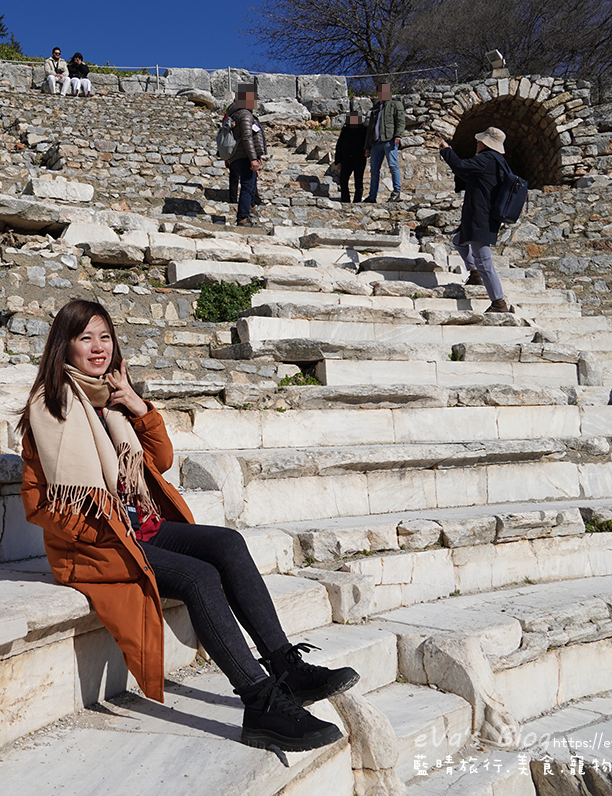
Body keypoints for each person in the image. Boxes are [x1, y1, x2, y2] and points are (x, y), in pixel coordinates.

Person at [18, 300, 359, 752]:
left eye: (104, 336)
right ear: (65, 347)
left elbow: (159, 462)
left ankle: (286, 668)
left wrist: (139, 407)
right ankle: (260, 704)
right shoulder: (51, 411)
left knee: (228, 543)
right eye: (86, 338)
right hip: (97, 546)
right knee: (199, 577)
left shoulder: (113, 404)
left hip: (145, 529)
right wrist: (100, 528)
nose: (98, 348)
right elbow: (40, 506)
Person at [439, 127, 515, 313]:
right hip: (486, 215)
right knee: (459, 240)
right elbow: (470, 176)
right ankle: (474, 274)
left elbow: (461, 167)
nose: (477, 143)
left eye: (480, 141)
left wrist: (446, 150)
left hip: (480, 215)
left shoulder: (486, 159)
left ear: (486, 143)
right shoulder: (499, 162)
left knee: (484, 260)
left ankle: (499, 302)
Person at [225, 85, 266, 227]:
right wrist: (253, 158)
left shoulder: (234, 115)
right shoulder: (245, 115)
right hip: (245, 156)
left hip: (235, 157)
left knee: (249, 185)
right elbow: (248, 137)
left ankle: (250, 209)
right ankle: (243, 218)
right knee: (248, 187)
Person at [364, 83, 406, 203]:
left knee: (393, 166)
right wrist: (367, 146)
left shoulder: (395, 105)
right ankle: (372, 196)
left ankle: (396, 192)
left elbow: (400, 121)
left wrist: (398, 135)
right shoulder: (375, 109)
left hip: (389, 140)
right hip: (376, 143)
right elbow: (370, 129)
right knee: (374, 170)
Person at [334, 111, 367, 203]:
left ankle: (357, 200)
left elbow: (367, 143)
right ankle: (345, 199)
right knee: (343, 180)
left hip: (359, 158)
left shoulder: (363, 130)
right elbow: (339, 145)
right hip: (346, 159)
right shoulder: (345, 130)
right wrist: (338, 161)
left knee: (358, 180)